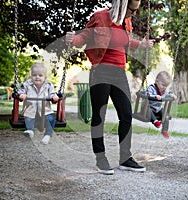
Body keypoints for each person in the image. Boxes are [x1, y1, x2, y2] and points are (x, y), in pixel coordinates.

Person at [65, 0, 155, 175]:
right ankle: (101, 158)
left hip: (119, 73)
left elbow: (127, 42)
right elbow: (83, 38)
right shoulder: (100, 17)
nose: (134, 14)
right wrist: (72, 40)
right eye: (132, 10)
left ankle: (125, 158)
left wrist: (142, 45)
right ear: (122, 5)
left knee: (126, 115)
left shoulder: (125, 22)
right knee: (99, 116)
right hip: (101, 71)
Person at [18, 63, 59, 145]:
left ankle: (47, 135)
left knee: (51, 119)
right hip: (30, 109)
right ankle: (30, 131)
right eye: (34, 75)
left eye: (40, 75)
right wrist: (21, 95)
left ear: (45, 77)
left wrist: (54, 97)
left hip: (45, 110)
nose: (37, 77)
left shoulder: (48, 85)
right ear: (31, 76)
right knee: (28, 119)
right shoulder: (26, 84)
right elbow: (20, 91)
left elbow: (52, 94)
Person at [146, 71, 177, 139]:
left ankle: (164, 130)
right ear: (157, 81)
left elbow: (168, 94)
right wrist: (154, 96)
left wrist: (171, 95)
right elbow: (148, 94)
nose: (164, 87)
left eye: (166, 86)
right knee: (148, 111)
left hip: (158, 108)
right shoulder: (151, 88)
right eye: (163, 85)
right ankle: (155, 122)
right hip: (149, 107)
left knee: (166, 116)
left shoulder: (164, 90)